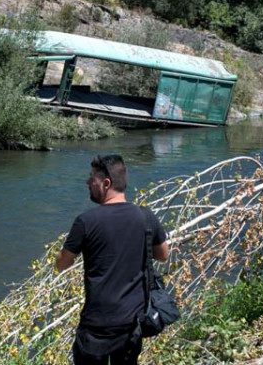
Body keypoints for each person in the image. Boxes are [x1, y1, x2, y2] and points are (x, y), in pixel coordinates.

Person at [55, 154, 169, 365]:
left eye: (92, 179)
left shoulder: (86, 222)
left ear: (106, 183)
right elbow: (163, 255)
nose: (88, 183)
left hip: (96, 326)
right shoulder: (146, 217)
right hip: (131, 324)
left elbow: (62, 263)